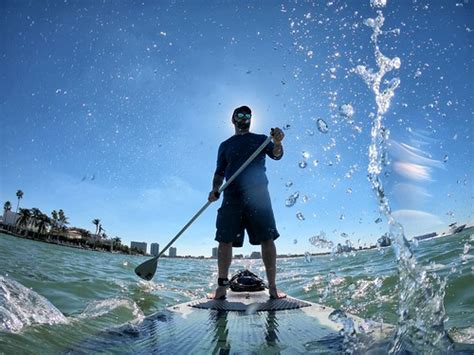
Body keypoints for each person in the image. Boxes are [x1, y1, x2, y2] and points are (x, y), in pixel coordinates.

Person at [208, 105, 286, 300]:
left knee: (267, 238)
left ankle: (273, 287)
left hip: (258, 195)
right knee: (224, 240)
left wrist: (277, 142)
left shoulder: (261, 140)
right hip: (232, 196)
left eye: (248, 115)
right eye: (240, 115)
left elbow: (277, 155)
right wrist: (215, 188)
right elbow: (219, 172)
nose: (244, 118)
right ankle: (222, 287)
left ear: (251, 119)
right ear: (233, 119)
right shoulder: (225, 145)